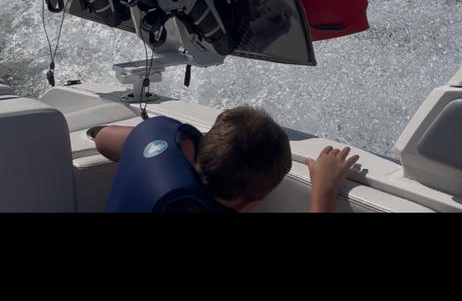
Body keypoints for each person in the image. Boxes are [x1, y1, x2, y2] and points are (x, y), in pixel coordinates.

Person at [93, 105, 359, 212]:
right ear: (250, 205)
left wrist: (155, 151)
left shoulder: (160, 139)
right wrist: (324, 188)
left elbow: (102, 139)